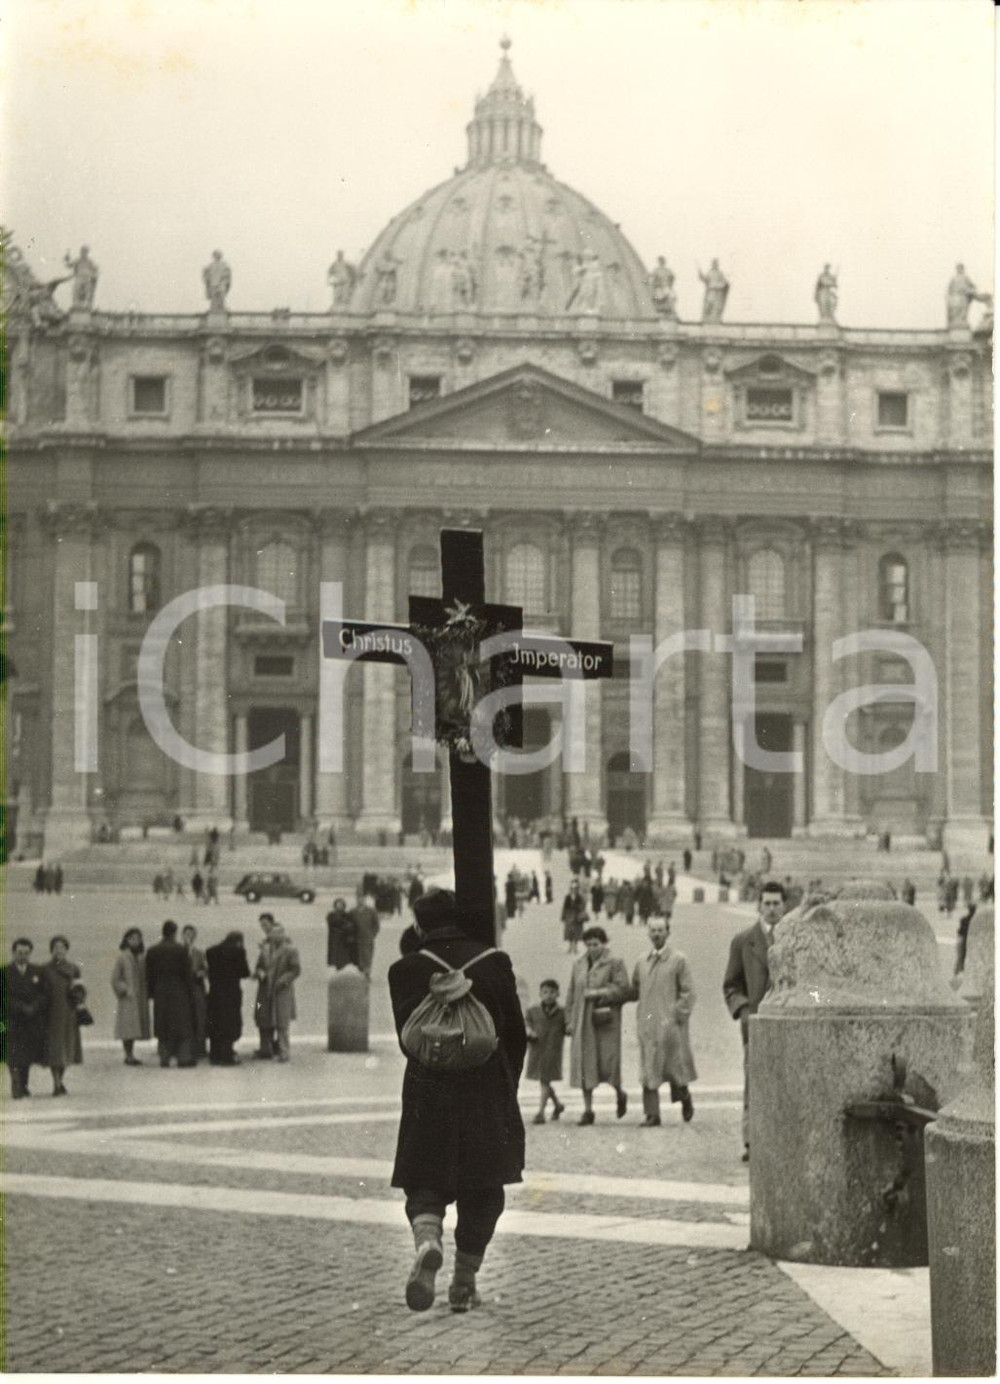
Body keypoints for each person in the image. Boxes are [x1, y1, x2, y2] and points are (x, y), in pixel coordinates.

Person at [387, 889, 526, 1313]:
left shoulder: (405, 971)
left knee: (425, 1180)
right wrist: (507, 1085)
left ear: (418, 925)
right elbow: (516, 1035)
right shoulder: (494, 963)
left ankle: (428, 1239)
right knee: (484, 1188)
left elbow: (408, 1039)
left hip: (429, 1090)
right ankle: (464, 1282)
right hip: (485, 1092)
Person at [723, 880, 785, 1162]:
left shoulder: (793, 940)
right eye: (767, 903)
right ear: (759, 905)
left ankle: (783, 1137)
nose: (772, 909)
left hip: (786, 1023)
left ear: (784, 906)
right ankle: (751, 1139)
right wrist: (745, 1011)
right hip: (755, 1024)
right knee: (754, 1079)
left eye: (776, 903)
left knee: (786, 1081)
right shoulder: (743, 941)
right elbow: (731, 985)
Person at [627, 918, 696, 1126]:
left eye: (660, 930)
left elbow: (688, 992)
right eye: (653, 930)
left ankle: (684, 1097)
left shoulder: (678, 960)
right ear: (648, 933)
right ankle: (652, 1114)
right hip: (647, 1024)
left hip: (670, 1026)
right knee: (649, 1069)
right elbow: (635, 988)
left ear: (668, 932)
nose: (657, 934)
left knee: (674, 1068)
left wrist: (676, 1015)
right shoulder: (641, 961)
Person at [565, 926, 630, 1125]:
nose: (593, 948)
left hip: (606, 1022)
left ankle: (620, 1093)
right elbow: (571, 993)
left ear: (604, 943)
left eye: (597, 944)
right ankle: (588, 1110)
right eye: (589, 944)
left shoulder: (615, 963)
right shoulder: (579, 964)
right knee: (586, 1065)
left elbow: (623, 989)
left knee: (608, 1063)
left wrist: (598, 993)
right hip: (583, 1022)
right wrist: (569, 1020)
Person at [2, 938, 50, 1098]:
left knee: (27, 1054)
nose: (22, 956)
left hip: (32, 1020)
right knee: (13, 1054)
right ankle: (16, 1085)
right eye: (19, 952)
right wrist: (21, 1007)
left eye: (26, 953)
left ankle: (23, 1084)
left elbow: (44, 994)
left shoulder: (37, 971)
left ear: (30, 953)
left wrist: (34, 1007)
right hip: (11, 1020)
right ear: (13, 952)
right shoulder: (4, 972)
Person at [145, 920, 196, 1068]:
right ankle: (183, 1057)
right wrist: (190, 993)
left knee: (163, 1025)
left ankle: (164, 1058)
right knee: (182, 1025)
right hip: (179, 991)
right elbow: (187, 974)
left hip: (160, 991)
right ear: (174, 932)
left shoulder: (153, 950)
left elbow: (149, 976)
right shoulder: (181, 950)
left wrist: (151, 993)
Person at [43, 935, 83, 1096]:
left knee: (68, 1048)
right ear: (51, 950)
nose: (58, 950)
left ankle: (60, 1080)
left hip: (69, 1013)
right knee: (55, 1050)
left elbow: (81, 990)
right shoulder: (45, 969)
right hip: (51, 1014)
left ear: (67, 949)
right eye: (55, 947)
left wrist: (79, 999)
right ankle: (56, 1083)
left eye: (62, 947)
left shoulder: (74, 969)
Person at [257, 921, 301, 1062]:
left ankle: (284, 1052)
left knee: (282, 1023)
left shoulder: (291, 950)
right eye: (273, 933)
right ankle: (267, 1049)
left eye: (279, 933)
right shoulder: (265, 949)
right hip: (266, 990)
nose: (275, 936)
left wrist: (283, 981)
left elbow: (295, 970)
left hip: (282, 991)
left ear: (283, 934)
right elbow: (259, 966)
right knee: (266, 1019)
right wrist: (260, 972)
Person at [525, 979, 567, 1124]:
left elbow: (568, 1027)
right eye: (545, 992)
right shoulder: (533, 1011)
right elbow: (526, 1023)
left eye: (552, 992)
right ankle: (558, 1105)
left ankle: (541, 1113)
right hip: (537, 1050)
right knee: (544, 1081)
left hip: (553, 1051)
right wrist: (529, 1031)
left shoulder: (562, 1012)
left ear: (558, 994)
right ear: (540, 994)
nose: (548, 995)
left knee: (544, 1081)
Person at [205, 931, 250, 1065]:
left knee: (216, 1023)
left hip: (214, 994)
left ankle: (214, 1056)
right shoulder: (238, 952)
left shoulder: (211, 951)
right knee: (229, 1024)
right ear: (238, 941)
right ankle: (226, 1057)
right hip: (231, 994)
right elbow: (245, 973)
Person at [111, 927, 150, 1065]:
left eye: (138, 939)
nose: (136, 941)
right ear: (127, 940)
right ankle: (128, 1055)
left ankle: (130, 1054)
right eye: (133, 938)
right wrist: (125, 989)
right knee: (128, 1028)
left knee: (134, 1027)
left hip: (139, 997)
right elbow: (115, 979)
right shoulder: (122, 957)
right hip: (127, 997)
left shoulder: (141, 957)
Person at [252, 913, 278, 1057]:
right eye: (262, 925)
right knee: (262, 1014)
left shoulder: (277, 943)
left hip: (272, 986)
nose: (264, 928)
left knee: (268, 1015)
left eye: (266, 925)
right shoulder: (266, 943)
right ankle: (266, 1046)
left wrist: (264, 972)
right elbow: (261, 963)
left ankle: (267, 1047)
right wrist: (259, 971)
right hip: (264, 985)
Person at [182, 924, 209, 1060]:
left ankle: (199, 1048)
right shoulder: (178, 951)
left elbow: (206, 969)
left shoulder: (199, 953)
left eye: (192, 934)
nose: (189, 937)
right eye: (187, 934)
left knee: (199, 1017)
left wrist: (202, 973)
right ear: (182, 935)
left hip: (197, 988)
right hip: (183, 990)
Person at [353, 893, 381, 978]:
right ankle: (360, 971)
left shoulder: (371, 911)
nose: (360, 901)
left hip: (368, 937)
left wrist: (372, 934)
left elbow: (376, 925)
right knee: (358, 955)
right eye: (358, 899)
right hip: (356, 938)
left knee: (367, 955)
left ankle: (367, 972)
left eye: (362, 899)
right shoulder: (353, 911)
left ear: (365, 900)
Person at [326, 897, 357, 970]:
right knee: (336, 958)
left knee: (343, 958)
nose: (339, 906)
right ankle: (338, 971)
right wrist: (344, 925)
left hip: (344, 942)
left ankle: (342, 971)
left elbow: (350, 926)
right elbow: (334, 923)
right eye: (338, 904)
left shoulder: (347, 915)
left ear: (344, 906)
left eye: (341, 905)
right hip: (335, 941)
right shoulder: (331, 915)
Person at [560, 878, 588, 954]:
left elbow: (583, 907)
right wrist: (563, 916)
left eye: (575, 889)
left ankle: (575, 947)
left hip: (577, 916)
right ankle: (570, 947)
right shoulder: (567, 897)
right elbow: (564, 907)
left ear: (577, 889)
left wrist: (582, 913)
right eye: (572, 889)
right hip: (569, 916)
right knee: (569, 932)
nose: (573, 890)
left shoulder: (580, 897)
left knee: (576, 932)